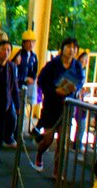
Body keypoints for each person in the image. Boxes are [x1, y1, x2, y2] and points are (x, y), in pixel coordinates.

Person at [34, 37, 84, 171]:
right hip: (51, 106)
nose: (71, 50)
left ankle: (57, 169)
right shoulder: (52, 64)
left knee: (62, 142)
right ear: (62, 49)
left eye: (74, 47)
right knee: (48, 139)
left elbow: (80, 81)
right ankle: (39, 155)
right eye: (69, 46)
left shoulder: (77, 66)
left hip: (67, 108)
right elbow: (41, 81)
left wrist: (75, 88)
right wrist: (55, 90)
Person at [17, 29, 39, 106]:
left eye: (33, 42)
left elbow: (35, 70)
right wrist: (24, 79)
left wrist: (32, 78)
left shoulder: (34, 56)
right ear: (23, 43)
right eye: (29, 42)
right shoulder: (18, 54)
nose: (31, 44)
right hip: (18, 86)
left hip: (28, 87)